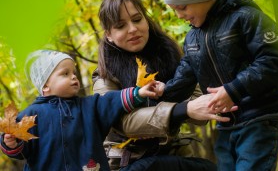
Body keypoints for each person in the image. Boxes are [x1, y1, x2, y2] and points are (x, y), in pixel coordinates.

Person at [160, 0, 278, 170]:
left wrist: (233, 90)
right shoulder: (193, 38)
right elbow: (185, 76)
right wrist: (164, 92)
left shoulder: (245, 17)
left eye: (182, 7)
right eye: (174, 9)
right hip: (226, 125)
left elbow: (275, 58)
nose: (179, 15)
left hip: (259, 119)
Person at [93, 0, 237, 171]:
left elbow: (197, 99)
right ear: (109, 35)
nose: (132, 29)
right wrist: (184, 109)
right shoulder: (104, 75)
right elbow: (124, 122)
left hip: (173, 153)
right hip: (128, 162)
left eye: (137, 19)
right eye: (120, 26)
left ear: (146, 20)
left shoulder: (170, 55)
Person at [0, 50, 163, 171]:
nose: (73, 77)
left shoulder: (89, 106)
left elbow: (112, 101)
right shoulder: (31, 115)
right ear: (45, 86)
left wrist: (138, 93)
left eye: (74, 73)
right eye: (65, 74)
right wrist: (10, 142)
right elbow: (18, 150)